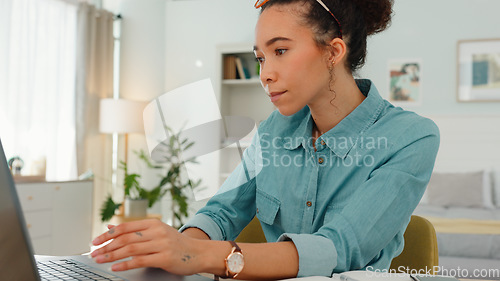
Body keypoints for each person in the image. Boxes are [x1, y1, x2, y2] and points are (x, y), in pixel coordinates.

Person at [90, 0, 440, 279]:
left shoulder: (410, 138)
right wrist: (175, 249)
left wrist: (200, 255)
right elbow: (224, 210)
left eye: (281, 51)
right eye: (260, 57)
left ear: (333, 52)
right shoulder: (274, 130)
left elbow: (341, 247)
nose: (265, 74)